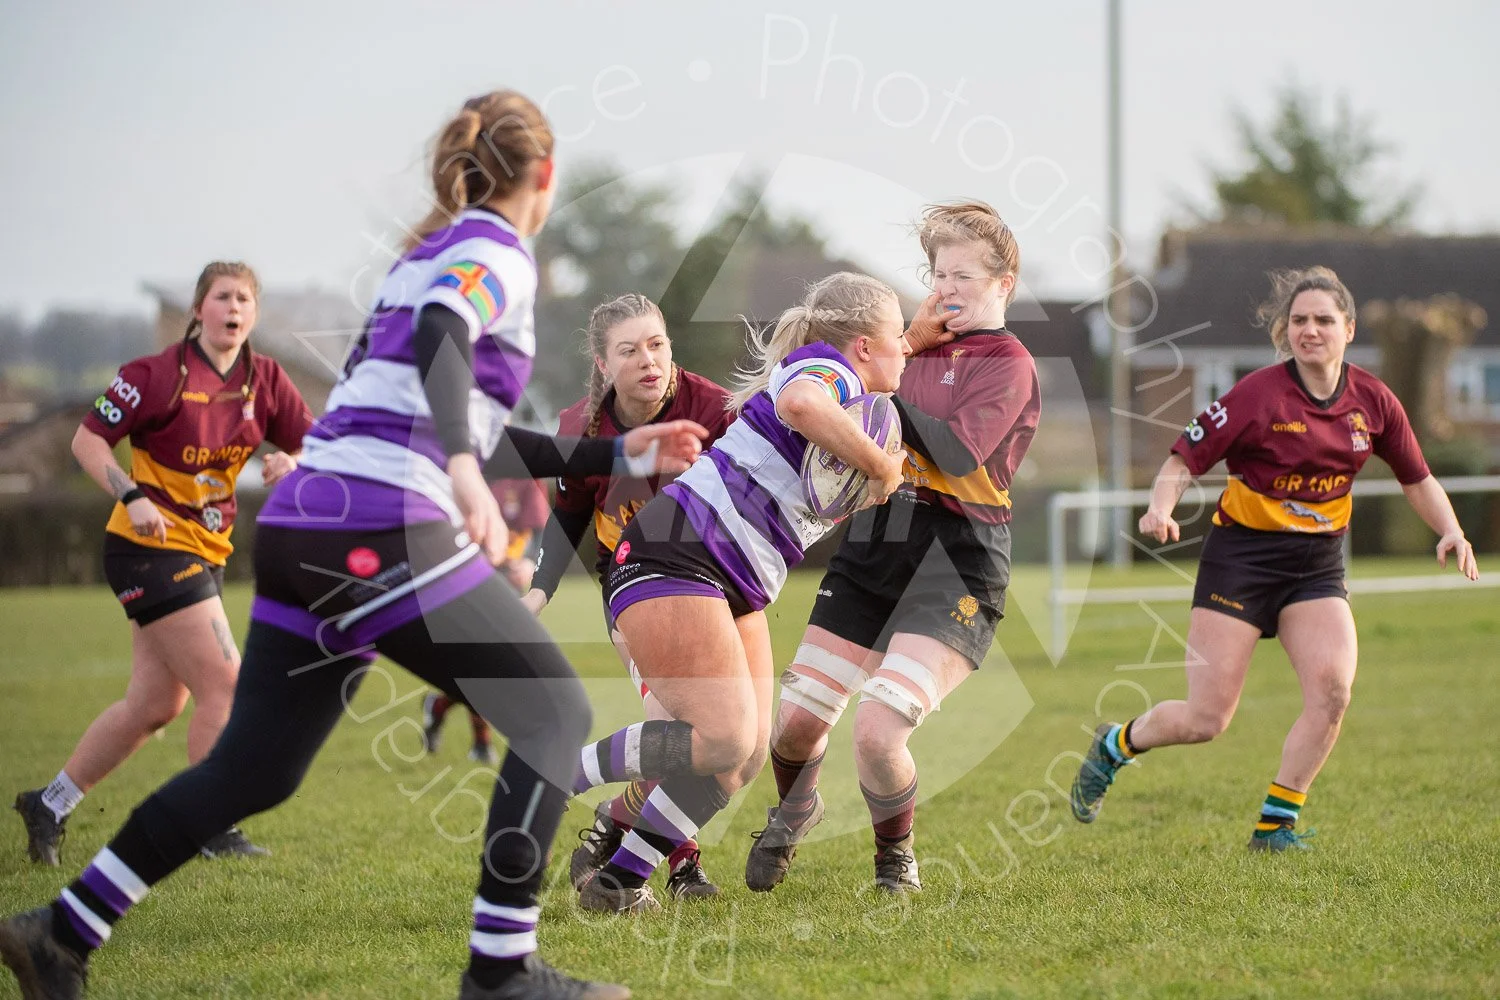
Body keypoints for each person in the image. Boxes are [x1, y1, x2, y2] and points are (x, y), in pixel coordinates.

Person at [0, 90, 708, 1000]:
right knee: (552, 716)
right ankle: (502, 973)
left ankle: (59, 932)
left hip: (306, 520)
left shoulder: (423, 256)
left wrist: (612, 451)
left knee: (255, 768)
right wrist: (455, 464)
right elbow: (446, 348)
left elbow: (449, 401)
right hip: (376, 521)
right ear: (545, 173)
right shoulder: (495, 250)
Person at [1070, 266, 1481, 852]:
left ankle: (1275, 824)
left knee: (1333, 692)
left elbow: (1417, 477)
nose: (1309, 331)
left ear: (1349, 328)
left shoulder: (1373, 401)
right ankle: (1116, 744)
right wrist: (1161, 508)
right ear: (1286, 331)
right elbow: (1182, 459)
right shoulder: (1255, 396)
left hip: (1315, 568)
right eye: (1299, 321)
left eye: (1323, 320)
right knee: (1206, 721)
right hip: (1241, 562)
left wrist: (1452, 529)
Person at [568, 271, 911, 914]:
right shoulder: (827, 369)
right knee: (722, 736)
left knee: (742, 757)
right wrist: (880, 465)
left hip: (734, 577)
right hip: (678, 552)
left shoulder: (854, 383)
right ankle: (558, 770)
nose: (908, 349)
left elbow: (877, 365)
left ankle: (617, 883)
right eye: (899, 336)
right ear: (863, 344)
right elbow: (802, 407)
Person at [743, 203, 1040, 895]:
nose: (948, 286)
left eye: (964, 273)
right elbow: (827, 396)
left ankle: (894, 859)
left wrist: (893, 388)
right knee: (792, 725)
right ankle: (795, 808)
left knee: (878, 732)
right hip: (876, 546)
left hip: (957, 566)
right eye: (938, 272)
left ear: (1005, 282)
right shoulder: (912, 346)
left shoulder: (1010, 363)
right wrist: (907, 341)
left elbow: (959, 450)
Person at [13, 261, 312, 868]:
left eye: (245, 300)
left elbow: (312, 441)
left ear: (253, 315)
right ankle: (212, 826)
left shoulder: (267, 379)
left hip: (206, 549)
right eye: (223, 296)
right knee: (224, 684)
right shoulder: (151, 376)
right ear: (199, 309)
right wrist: (130, 493)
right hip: (146, 548)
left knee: (155, 705)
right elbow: (86, 441)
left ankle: (48, 802)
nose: (234, 308)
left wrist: (293, 463)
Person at [520, 293, 734, 901]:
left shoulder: (716, 409)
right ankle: (679, 868)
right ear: (601, 363)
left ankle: (610, 830)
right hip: (633, 581)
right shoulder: (579, 426)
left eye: (658, 344)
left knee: (722, 744)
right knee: (676, 726)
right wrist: (540, 590)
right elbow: (567, 513)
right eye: (629, 350)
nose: (648, 360)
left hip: (717, 581)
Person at [422, 477, 551, 767]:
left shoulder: (528, 475)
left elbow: (539, 530)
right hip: (466, 575)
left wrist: (529, 561)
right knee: (484, 662)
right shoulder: (465, 463)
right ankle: (481, 742)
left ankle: (441, 705)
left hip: (507, 579)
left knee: (494, 665)